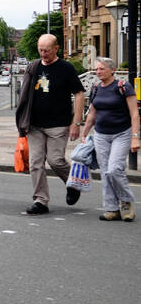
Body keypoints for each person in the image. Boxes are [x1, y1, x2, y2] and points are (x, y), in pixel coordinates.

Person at [15, 33, 85, 215]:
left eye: (46, 50)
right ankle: (41, 201)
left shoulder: (66, 68)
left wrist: (76, 123)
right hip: (34, 125)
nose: (43, 54)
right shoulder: (34, 66)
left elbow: (79, 94)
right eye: (40, 50)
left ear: (56, 49)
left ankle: (73, 184)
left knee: (56, 160)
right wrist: (22, 121)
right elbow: (24, 95)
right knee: (35, 162)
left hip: (58, 124)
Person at [81, 56, 139, 221]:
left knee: (114, 170)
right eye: (97, 69)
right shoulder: (96, 88)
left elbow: (134, 113)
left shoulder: (123, 86)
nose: (98, 72)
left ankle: (126, 202)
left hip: (122, 133)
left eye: (102, 69)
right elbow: (92, 112)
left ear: (112, 70)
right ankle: (111, 209)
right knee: (106, 172)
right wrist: (84, 132)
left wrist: (135, 137)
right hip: (101, 134)